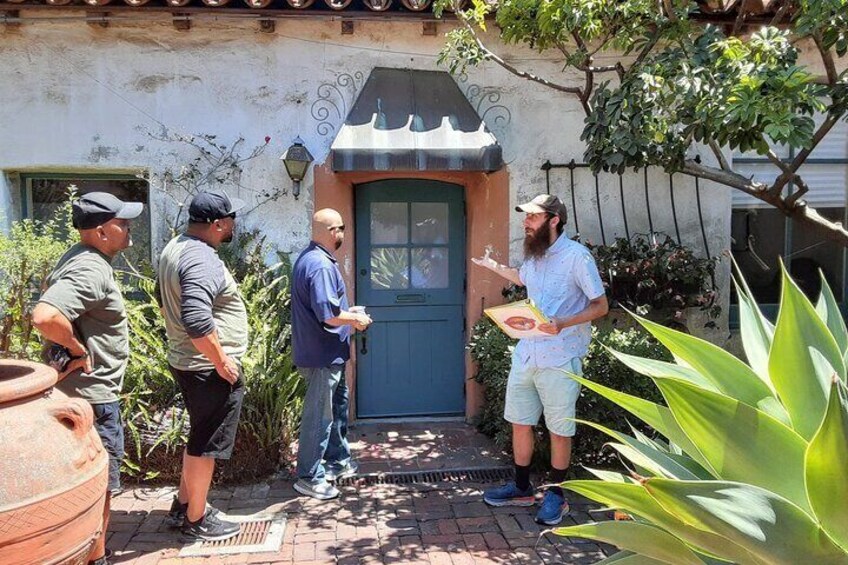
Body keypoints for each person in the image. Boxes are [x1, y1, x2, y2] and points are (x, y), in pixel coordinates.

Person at [472, 194, 608, 526]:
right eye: (526, 217)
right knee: (520, 422)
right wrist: (494, 267)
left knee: (559, 431)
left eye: (532, 217)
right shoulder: (535, 257)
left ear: (554, 220)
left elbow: (600, 306)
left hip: (561, 358)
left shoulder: (578, 258)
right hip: (527, 354)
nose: (525, 223)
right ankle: (521, 487)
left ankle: (557, 496)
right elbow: (522, 278)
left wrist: (563, 322)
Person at [32, 191, 144, 565]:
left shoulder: (81, 257)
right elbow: (46, 316)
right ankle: (95, 556)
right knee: (101, 482)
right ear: (100, 231)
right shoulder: (90, 268)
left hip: (79, 393)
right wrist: (79, 351)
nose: (129, 228)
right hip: (92, 399)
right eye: (122, 223)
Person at [157, 190, 248, 541]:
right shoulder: (201, 258)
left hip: (188, 362)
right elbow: (196, 319)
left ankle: (183, 504)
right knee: (205, 443)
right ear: (217, 224)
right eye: (230, 220)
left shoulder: (175, 248)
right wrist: (221, 360)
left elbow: (164, 300)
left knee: (198, 435)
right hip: (206, 368)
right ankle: (196, 520)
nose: (233, 225)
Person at [291, 208, 372, 501]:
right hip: (321, 355)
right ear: (327, 231)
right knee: (319, 416)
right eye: (339, 228)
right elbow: (328, 315)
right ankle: (309, 476)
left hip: (326, 353)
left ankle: (337, 461)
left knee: (336, 407)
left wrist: (348, 315)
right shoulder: (321, 265)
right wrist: (355, 320)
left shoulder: (310, 258)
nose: (342, 234)